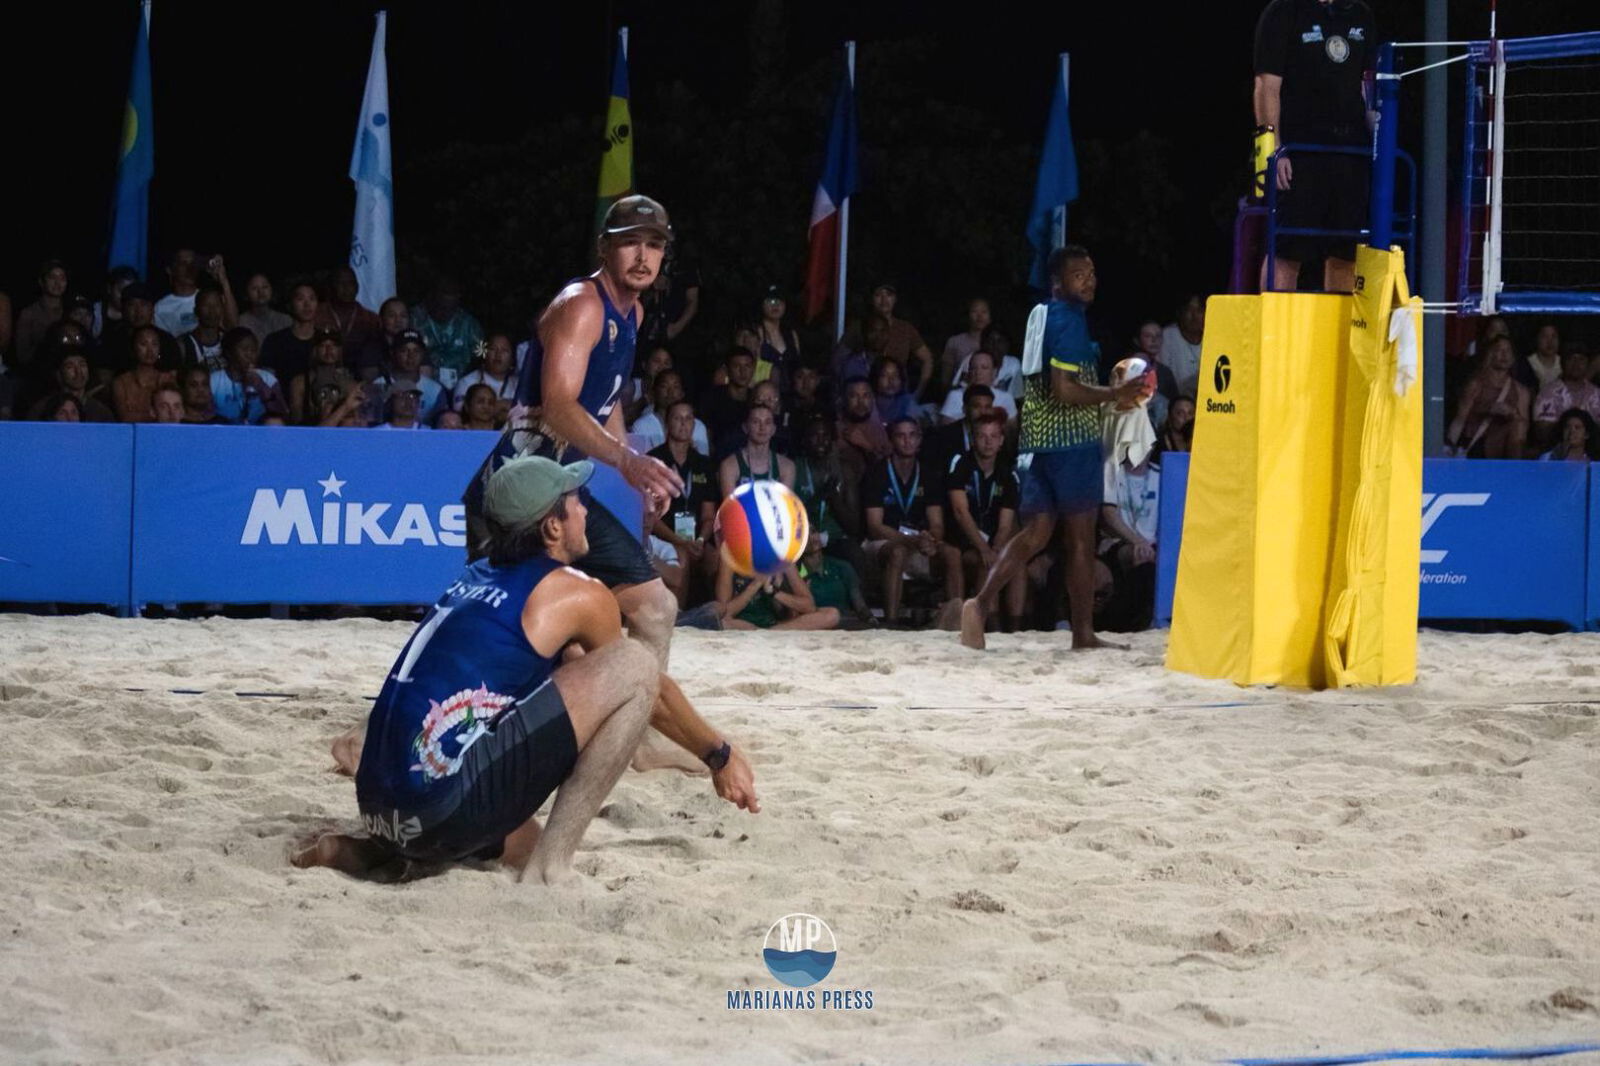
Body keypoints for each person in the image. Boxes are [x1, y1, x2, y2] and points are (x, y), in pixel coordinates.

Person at [296, 456, 757, 884]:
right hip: (437, 809)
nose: (585, 509)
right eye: (578, 500)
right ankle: (551, 873)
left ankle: (365, 854)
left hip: (379, 810)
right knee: (636, 663)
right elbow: (645, 688)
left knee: (521, 838)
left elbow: (574, 682)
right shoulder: (577, 593)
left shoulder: (472, 576)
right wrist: (718, 754)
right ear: (552, 526)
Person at [960, 245, 1145, 650]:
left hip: (1036, 442)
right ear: (1058, 283)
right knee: (1080, 540)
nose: (1090, 280)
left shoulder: (1039, 315)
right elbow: (1065, 389)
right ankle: (1083, 633)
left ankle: (978, 604)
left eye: (1093, 272)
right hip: (1071, 443)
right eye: (1080, 275)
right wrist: (1115, 393)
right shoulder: (1069, 320)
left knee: (1036, 533)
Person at [1253, 0, 1377, 294]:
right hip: (1299, 153)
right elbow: (1266, 87)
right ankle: (1275, 334)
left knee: (1346, 253)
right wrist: (1274, 149)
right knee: (1287, 250)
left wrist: (1378, 145)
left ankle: (1338, 338)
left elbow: (1368, 88)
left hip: (1350, 154)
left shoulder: (1361, 15)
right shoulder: (1284, 11)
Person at [863, 417, 959, 627]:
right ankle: (891, 622)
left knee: (952, 553)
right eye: (901, 436)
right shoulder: (877, 473)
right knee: (898, 552)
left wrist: (930, 539)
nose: (907, 441)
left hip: (918, 542)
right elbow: (874, 526)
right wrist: (911, 541)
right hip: (882, 544)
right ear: (891, 440)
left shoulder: (928, 474)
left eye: (912, 435)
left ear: (920, 439)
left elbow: (937, 523)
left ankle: (957, 620)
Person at [945, 412, 1025, 631]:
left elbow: (1006, 524)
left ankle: (1015, 628)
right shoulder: (961, 463)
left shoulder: (1008, 473)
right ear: (973, 439)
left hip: (991, 540)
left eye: (993, 436)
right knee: (986, 563)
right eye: (982, 436)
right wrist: (984, 549)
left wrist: (997, 547)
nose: (988, 441)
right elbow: (960, 512)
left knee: (1015, 564)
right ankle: (992, 625)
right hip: (963, 541)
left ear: (1001, 440)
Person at [648, 400, 720, 606]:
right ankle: (678, 620)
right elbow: (650, 517)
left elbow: (708, 515)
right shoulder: (654, 461)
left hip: (696, 539)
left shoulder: (703, 464)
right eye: (677, 418)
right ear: (667, 423)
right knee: (682, 557)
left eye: (689, 418)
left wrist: (699, 540)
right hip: (664, 537)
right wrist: (679, 541)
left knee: (715, 558)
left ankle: (716, 615)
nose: (683, 423)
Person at [1445, 336, 1530, 459]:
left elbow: (1523, 428)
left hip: (1505, 446)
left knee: (1518, 426)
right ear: (1490, 354)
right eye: (1499, 350)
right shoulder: (1476, 384)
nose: (1504, 354)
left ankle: (1515, 471)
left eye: (1508, 351)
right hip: (1477, 444)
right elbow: (1460, 419)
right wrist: (1449, 448)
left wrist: (1511, 414)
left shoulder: (1521, 391)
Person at [412, 277, 483, 390]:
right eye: (441, 307)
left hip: (462, 384)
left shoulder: (469, 324)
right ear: (432, 299)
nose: (445, 312)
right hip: (424, 383)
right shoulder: (415, 319)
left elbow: (482, 353)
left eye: (450, 308)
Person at [868, 283, 935, 398]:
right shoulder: (860, 327)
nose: (884, 300)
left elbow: (927, 359)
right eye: (878, 295)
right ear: (872, 299)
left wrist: (918, 393)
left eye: (888, 295)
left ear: (895, 299)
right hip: (866, 396)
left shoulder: (905, 328)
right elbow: (839, 360)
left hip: (898, 396)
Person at [797, 530, 873, 629]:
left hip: (844, 625)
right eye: (805, 535)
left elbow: (860, 605)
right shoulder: (796, 573)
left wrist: (870, 619)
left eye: (813, 532)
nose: (812, 537)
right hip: (814, 626)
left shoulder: (841, 567)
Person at [718, 402, 795, 499]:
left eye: (767, 422)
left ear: (773, 429)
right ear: (745, 427)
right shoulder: (729, 465)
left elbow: (784, 506)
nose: (762, 428)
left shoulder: (787, 466)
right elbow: (731, 507)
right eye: (756, 422)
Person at [211, 327, 287, 425]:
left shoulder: (268, 379)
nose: (250, 355)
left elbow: (282, 412)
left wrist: (261, 386)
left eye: (253, 350)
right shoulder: (214, 381)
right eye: (245, 349)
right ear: (229, 352)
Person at [1531, 345, 1600, 450]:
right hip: (1558, 451)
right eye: (1571, 358)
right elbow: (1542, 432)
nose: (1576, 364)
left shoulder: (1596, 393)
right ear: (1562, 363)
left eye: (1581, 359)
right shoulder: (1548, 392)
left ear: (1587, 364)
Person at [630, 369, 711, 454]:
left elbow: (703, 461)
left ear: (682, 393)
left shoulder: (698, 426)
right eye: (664, 386)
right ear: (654, 392)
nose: (670, 392)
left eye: (676, 387)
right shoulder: (641, 426)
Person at [288, 329, 357, 424]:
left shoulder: (351, 385)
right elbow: (296, 420)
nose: (329, 350)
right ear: (315, 350)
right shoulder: (299, 383)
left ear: (340, 350)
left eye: (333, 345)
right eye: (323, 345)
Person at [111, 325, 177, 422]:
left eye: (154, 344)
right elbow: (125, 417)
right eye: (143, 344)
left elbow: (173, 415)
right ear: (133, 348)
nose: (150, 350)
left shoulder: (167, 379)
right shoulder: (121, 383)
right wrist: (158, 415)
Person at [260, 282, 320, 384]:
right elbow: (267, 382)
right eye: (300, 299)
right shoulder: (274, 341)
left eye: (312, 299)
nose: (307, 304)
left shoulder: (325, 340)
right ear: (290, 305)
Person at [14, 259, 68, 369]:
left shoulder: (71, 310)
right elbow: (22, 356)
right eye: (52, 277)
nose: (58, 283)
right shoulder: (28, 314)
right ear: (41, 282)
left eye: (62, 278)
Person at [939, 349, 1017, 425]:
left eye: (984, 368)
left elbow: (1011, 431)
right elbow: (945, 430)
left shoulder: (1006, 398)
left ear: (994, 372)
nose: (978, 372)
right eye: (973, 368)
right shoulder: (955, 396)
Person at [315, 265, 382, 352]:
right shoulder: (316, 314)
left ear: (357, 287)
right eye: (340, 283)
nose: (346, 288)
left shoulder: (371, 319)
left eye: (350, 283)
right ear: (331, 287)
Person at [1158, 296, 1205, 399]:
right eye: (1189, 310)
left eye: (1199, 311)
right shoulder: (1168, 335)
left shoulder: (1212, 336)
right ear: (1180, 313)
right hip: (1174, 403)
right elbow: (1162, 378)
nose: (1194, 316)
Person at [940, 298, 993, 390]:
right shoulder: (954, 342)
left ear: (990, 317)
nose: (979, 316)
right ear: (968, 315)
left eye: (984, 312)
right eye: (974, 311)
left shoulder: (996, 343)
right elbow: (946, 379)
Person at [754, 287, 801, 389]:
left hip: (790, 394)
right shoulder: (757, 333)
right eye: (770, 301)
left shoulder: (791, 334)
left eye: (780, 301)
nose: (775, 305)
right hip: (766, 392)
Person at [239, 273, 293, 343]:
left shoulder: (285, 320)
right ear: (246, 293)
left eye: (265, 287)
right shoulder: (241, 322)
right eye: (254, 288)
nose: (260, 292)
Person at [1515, 323, 1564, 393]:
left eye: (1554, 336)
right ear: (1537, 339)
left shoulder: (1565, 363)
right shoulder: (1527, 364)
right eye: (1545, 336)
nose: (1550, 342)